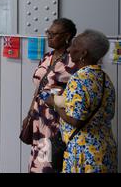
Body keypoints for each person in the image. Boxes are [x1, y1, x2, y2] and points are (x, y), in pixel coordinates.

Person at [46, 30, 118, 173]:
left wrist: (54, 103)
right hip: (105, 150)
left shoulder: (79, 79)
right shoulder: (104, 78)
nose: (69, 48)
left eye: (74, 45)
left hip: (83, 154)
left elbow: (76, 120)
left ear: (83, 53)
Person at [24, 18, 77, 173]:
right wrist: (29, 114)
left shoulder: (73, 60)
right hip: (39, 116)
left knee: (52, 161)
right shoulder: (48, 56)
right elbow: (39, 87)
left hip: (57, 118)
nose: (49, 36)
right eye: (48, 32)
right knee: (38, 159)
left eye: (54, 34)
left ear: (67, 36)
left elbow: (77, 91)